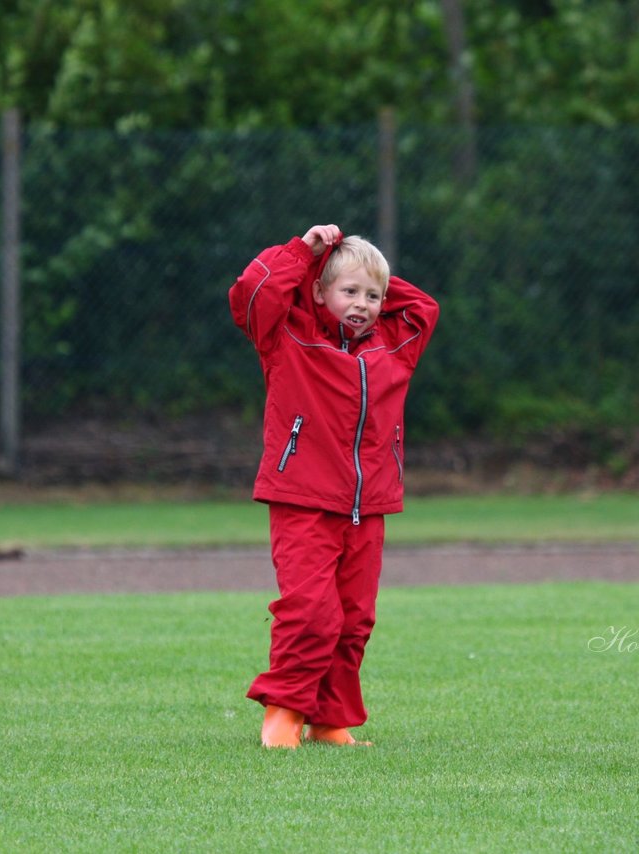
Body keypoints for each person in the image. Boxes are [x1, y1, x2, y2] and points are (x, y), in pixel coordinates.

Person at [228, 224, 439, 748]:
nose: (364, 304)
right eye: (350, 292)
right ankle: (284, 711)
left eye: (373, 296)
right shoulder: (288, 334)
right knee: (311, 611)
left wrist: (368, 271)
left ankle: (328, 720)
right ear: (318, 291)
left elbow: (424, 308)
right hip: (302, 498)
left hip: (368, 507)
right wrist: (306, 255)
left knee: (353, 619)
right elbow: (252, 292)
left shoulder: (395, 344)